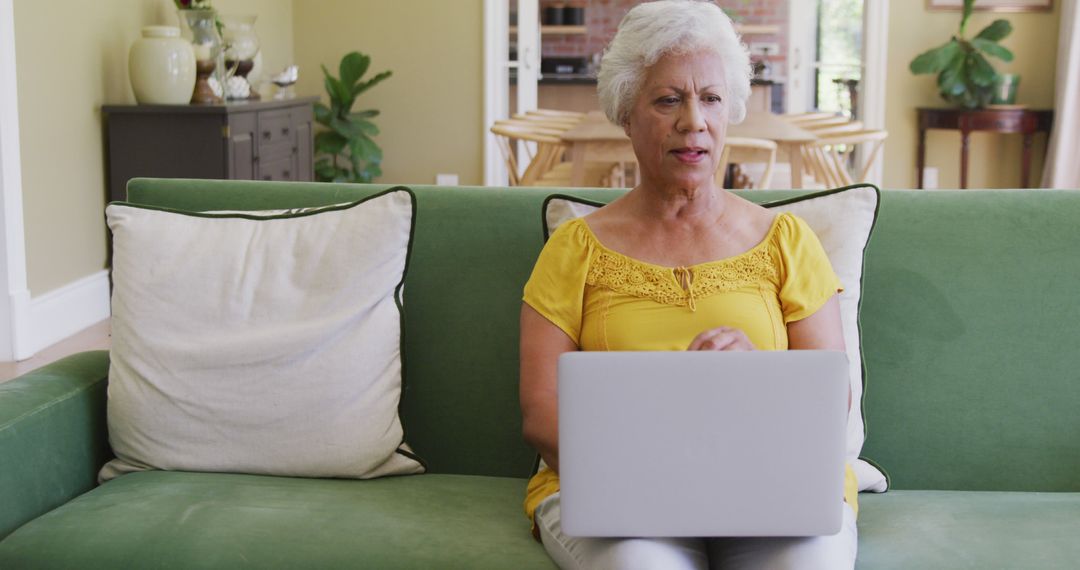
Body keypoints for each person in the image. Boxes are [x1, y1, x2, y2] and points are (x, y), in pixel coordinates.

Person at [518, 1, 858, 568]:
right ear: (627, 114)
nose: (693, 121)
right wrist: (655, 463)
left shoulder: (787, 240)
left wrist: (760, 379)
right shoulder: (575, 249)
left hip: (769, 481)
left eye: (712, 98)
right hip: (617, 489)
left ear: (730, 113)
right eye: (668, 99)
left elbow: (830, 401)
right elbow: (539, 409)